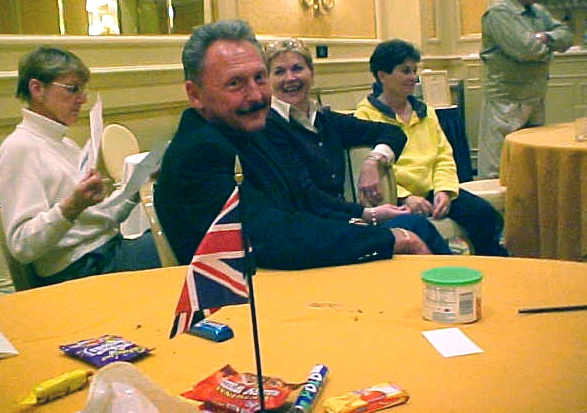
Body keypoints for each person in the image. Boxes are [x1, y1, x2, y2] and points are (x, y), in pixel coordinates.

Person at [154, 20, 432, 270]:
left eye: (259, 78)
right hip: (257, 292)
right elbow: (276, 237)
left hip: (288, 265)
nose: (256, 95)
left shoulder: (246, 128)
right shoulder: (201, 152)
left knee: (415, 230)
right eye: (236, 83)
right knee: (410, 235)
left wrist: (367, 218)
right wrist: (389, 238)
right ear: (195, 94)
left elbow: (303, 199)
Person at [0, 46, 160, 285]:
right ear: (37, 89)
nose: (82, 99)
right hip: (80, 270)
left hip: (104, 253)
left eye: (82, 89)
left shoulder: (64, 144)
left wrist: (135, 187)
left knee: (179, 231)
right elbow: (22, 245)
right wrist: (70, 208)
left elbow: (98, 219)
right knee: (184, 241)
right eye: (72, 89)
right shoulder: (19, 149)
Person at [263, 38, 451, 253]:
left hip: (342, 221)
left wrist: (373, 161)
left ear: (312, 74)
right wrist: (366, 214)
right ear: (267, 81)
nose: (290, 78)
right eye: (279, 72)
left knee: (416, 225)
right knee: (411, 230)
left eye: (297, 68)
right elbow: (306, 194)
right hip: (308, 231)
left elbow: (392, 132)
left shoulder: (326, 121)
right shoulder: (269, 126)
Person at [354, 39, 508, 257]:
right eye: (405, 71)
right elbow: (371, 172)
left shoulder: (426, 112)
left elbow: (443, 156)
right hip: (395, 198)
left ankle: (491, 264)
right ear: (382, 76)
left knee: (485, 215)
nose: (412, 77)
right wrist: (405, 197)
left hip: (432, 190)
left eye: (414, 70)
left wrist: (443, 190)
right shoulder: (365, 115)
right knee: (421, 231)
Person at [477, 0, 572, 178]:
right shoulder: (499, 13)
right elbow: (526, 50)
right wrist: (548, 46)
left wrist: (544, 37)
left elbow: (567, 36)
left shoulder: (538, 12)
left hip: (534, 100)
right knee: (499, 171)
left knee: (531, 168)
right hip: (505, 105)